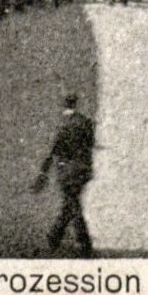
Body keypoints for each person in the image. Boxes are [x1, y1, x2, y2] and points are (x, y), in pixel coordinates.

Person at [33, 93, 95, 255]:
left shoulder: (63, 126)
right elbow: (90, 144)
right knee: (71, 202)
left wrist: (42, 173)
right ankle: (55, 236)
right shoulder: (85, 122)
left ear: (64, 105)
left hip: (67, 171)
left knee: (72, 204)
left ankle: (83, 240)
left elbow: (53, 151)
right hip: (83, 169)